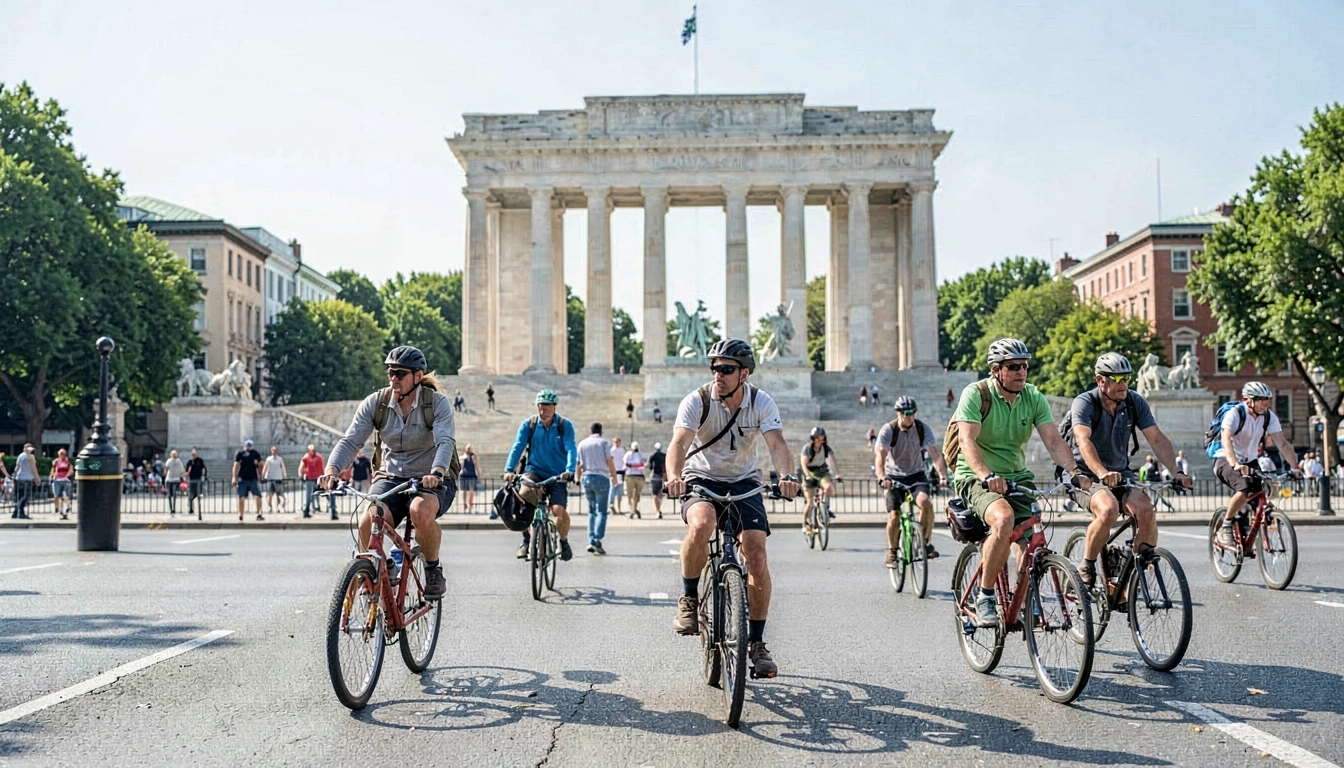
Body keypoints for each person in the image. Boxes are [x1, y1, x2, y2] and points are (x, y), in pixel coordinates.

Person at [665, 338, 799, 679]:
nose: (717, 376)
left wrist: (787, 476)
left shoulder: (761, 402)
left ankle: (756, 642)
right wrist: (673, 476)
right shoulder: (697, 400)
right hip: (701, 478)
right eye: (714, 369)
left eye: (726, 370)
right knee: (701, 524)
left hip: (744, 481)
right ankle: (690, 600)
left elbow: (777, 443)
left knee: (755, 552)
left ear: (745, 374)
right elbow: (679, 442)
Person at [952, 338, 1090, 628]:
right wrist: (986, 475)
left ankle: (1022, 601)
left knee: (1033, 542)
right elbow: (967, 440)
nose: (1021, 372)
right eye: (1013, 367)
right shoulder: (976, 394)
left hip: (1017, 477)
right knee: (1003, 519)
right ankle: (986, 596)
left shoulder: (1033, 396)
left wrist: (1074, 471)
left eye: (1025, 366)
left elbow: (1053, 440)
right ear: (995, 370)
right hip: (975, 476)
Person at [321, 345, 458, 600]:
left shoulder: (435, 403)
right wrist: (332, 470)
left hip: (430, 477)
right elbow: (351, 441)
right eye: (390, 372)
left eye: (400, 373)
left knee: (420, 511)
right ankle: (379, 568)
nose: (393, 378)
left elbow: (445, 442)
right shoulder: (378, 403)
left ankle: (432, 568)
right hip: (391, 476)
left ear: (417, 377)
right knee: (366, 522)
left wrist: (437, 472)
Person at [1065, 353, 1190, 589]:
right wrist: (1101, 472)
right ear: (1101, 380)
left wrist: (1176, 471)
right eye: (1118, 379)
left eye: (1127, 379)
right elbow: (1083, 440)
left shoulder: (1134, 402)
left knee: (1145, 510)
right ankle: (1087, 564)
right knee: (1108, 509)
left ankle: (1132, 577)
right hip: (1084, 473)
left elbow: (1157, 439)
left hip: (1119, 472)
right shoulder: (1085, 402)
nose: (1124, 384)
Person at [1214, 382, 1301, 548]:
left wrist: (1295, 468)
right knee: (1244, 488)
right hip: (1225, 458)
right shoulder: (1236, 414)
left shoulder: (1268, 417)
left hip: (1250, 460)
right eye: (1260, 400)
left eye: (1267, 399)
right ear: (1249, 401)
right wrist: (1235, 464)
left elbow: (1282, 443)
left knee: (1270, 487)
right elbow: (1226, 440)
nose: (1265, 403)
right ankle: (1225, 527)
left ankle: (1246, 516)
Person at [503, 389, 578, 561]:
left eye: (547, 407)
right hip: (534, 471)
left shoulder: (564, 425)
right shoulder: (528, 424)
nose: (544, 411)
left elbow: (571, 448)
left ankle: (564, 541)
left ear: (554, 407)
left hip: (558, 474)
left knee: (559, 510)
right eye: (541, 407)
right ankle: (526, 540)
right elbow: (518, 447)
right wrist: (509, 470)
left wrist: (570, 470)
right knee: (522, 500)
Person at [877, 396, 949, 564]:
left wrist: (942, 475)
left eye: (911, 413)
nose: (907, 416)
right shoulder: (889, 429)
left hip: (916, 474)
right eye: (903, 413)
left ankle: (924, 543)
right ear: (898, 413)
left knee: (926, 503)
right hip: (893, 476)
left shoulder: (922, 428)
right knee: (894, 514)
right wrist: (882, 477)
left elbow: (935, 453)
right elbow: (880, 455)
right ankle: (892, 550)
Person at [577, 423, 618, 554]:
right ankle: (595, 539)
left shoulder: (582, 443)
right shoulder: (604, 443)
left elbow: (579, 464)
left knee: (592, 511)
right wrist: (614, 477)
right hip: (601, 477)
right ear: (601, 431)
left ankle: (591, 540)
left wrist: (577, 478)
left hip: (587, 477)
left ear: (590, 430)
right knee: (602, 511)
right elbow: (609, 461)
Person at [799, 427, 842, 535]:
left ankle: (824, 509)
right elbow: (803, 463)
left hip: (822, 472)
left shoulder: (826, 448)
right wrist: (808, 475)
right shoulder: (808, 448)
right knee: (810, 503)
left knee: (829, 489)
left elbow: (833, 461)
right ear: (813, 438)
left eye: (821, 437)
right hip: (809, 472)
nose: (819, 440)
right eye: (816, 438)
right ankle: (805, 523)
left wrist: (837, 474)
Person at [232, 439, 265, 521]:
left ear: (252, 446)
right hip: (242, 478)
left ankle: (258, 513)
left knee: (258, 495)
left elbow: (261, 463)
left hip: (252, 478)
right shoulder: (240, 454)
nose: (248, 446)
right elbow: (236, 465)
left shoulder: (255, 453)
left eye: (250, 445)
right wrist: (234, 477)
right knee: (241, 497)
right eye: (247, 445)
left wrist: (260, 473)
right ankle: (241, 514)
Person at [13, 443, 38, 519]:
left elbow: (17, 467)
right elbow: (33, 469)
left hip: (19, 478)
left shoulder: (20, 456)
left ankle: (16, 512)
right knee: (25, 496)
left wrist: (14, 476)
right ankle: (20, 513)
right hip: (28, 478)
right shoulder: (31, 457)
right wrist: (37, 478)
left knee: (20, 496)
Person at [300, 445, 325, 518]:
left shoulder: (306, 457)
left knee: (310, 495)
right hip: (312, 478)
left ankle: (309, 510)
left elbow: (301, 468)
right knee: (313, 495)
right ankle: (309, 510)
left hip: (313, 478)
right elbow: (301, 467)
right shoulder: (317, 457)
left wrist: (301, 476)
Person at [50, 448, 73, 520]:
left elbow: (71, 470)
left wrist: (67, 476)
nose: (62, 455)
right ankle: (60, 509)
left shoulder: (67, 462)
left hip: (64, 480)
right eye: (61, 454)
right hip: (57, 479)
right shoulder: (56, 461)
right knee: (57, 495)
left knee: (63, 495)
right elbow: (53, 470)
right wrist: (52, 477)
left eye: (63, 454)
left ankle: (65, 508)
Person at [263, 446, 287, 514]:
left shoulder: (280, 459)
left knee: (279, 494)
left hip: (278, 478)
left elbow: (283, 468)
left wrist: (284, 476)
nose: (274, 452)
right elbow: (265, 467)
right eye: (273, 450)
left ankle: (279, 507)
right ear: (271, 451)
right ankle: (269, 506)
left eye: (275, 450)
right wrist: (263, 475)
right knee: (270, 493)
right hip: (270, 478)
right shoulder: (269, 459)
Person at [625, 441, 647, 517]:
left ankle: (632, 510)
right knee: (637, 495)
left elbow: (624, 465)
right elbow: (644, 465)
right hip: (640, 476)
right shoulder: (641, 455)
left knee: (630, 495)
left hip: (630, 476)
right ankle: (634, 509)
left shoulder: (627, 454)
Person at [648, 441, 668, 518]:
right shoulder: (664, 456)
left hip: (654, 476)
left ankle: (658, 510)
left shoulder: (652, 455)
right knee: (661, 493)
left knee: (655, 494)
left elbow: (650, 466)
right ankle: (658, 507)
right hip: (662, 476)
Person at [186, 449, 207, 518]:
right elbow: (186, 471)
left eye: (194, 454)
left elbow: (203, 468)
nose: (193, 455)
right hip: (192, 480)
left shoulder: (200, 460)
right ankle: (191, 509)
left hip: (198, 479)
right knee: (190, 495)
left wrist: (203, 476)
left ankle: (199, 511)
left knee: (198, 495)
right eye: (192, 454)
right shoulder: (190, 461)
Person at [164, 450, 186, 516]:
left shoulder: (178, 461)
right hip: (169, 479)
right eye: (173, 454)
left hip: (176, 480)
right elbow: (166, 469)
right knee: (169, 495)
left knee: (174, 494)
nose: (174, 455)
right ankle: (171, 508)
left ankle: (173, 508)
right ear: (171, 454)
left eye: (175, 454)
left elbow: (181, 469)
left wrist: (183, 477)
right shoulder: (169, 461)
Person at [609, 436, 627, 515]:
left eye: (618, 442)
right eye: (615, 442)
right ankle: (611, 504)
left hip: (620, 471)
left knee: (620, 489)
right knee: (613, 488)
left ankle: (619, 508)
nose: (617, 443)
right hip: (614, 471)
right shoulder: (611, 450)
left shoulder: (622, 450)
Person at [459, 444, 479, 513]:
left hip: (471, 475)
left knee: (471, 491)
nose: (468, 449)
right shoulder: (462, 457)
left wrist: (478, 473)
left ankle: (470, 504)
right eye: (468, 448)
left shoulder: (473, 457)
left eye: (470, 448)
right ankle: (464, 504)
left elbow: (476, 465)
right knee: (463, 490)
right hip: (463, 475)